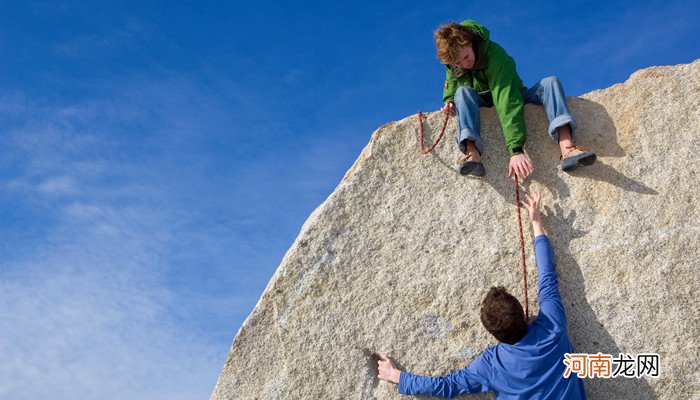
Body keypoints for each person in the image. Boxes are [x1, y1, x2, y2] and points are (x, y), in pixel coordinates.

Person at [377, 190, 587, 399]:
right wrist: (536, 222)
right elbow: (546, 275)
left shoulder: (491, 365)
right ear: (523, 313)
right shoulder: (552, 326)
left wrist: (397, 376)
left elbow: (446, 386)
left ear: (494, 335)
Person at [434, 20, 596, 178]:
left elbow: (506, 100)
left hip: (512, 93)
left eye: (466, 57)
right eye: (458, 63)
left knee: (550, 82)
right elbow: (452, 79)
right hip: (482, 100)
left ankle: (567, 148)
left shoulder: (496, 56)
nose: (464, 64)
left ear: (470, 42)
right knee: (461, 93)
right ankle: (472, 154)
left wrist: (516, 150)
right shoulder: (456, 61)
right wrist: (449, 99)